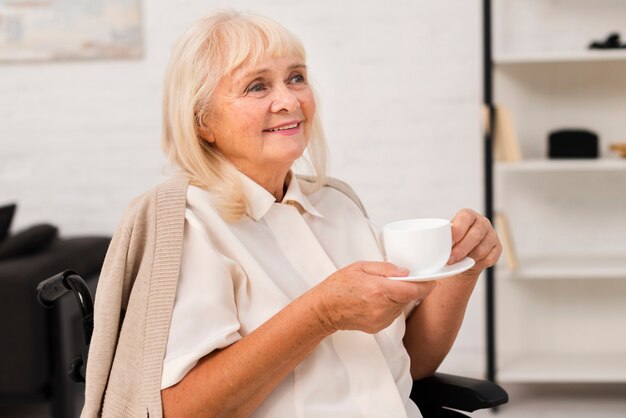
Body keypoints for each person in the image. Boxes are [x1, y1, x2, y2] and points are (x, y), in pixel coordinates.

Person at [82, 9, 501, 418]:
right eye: (257, 87)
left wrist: (463, 269)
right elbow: (180, 410)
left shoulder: (338, 206)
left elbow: (409, 363)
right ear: (202, 122)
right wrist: (320, 313)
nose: (289, 101)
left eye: (296, 77)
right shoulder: (191, 224)